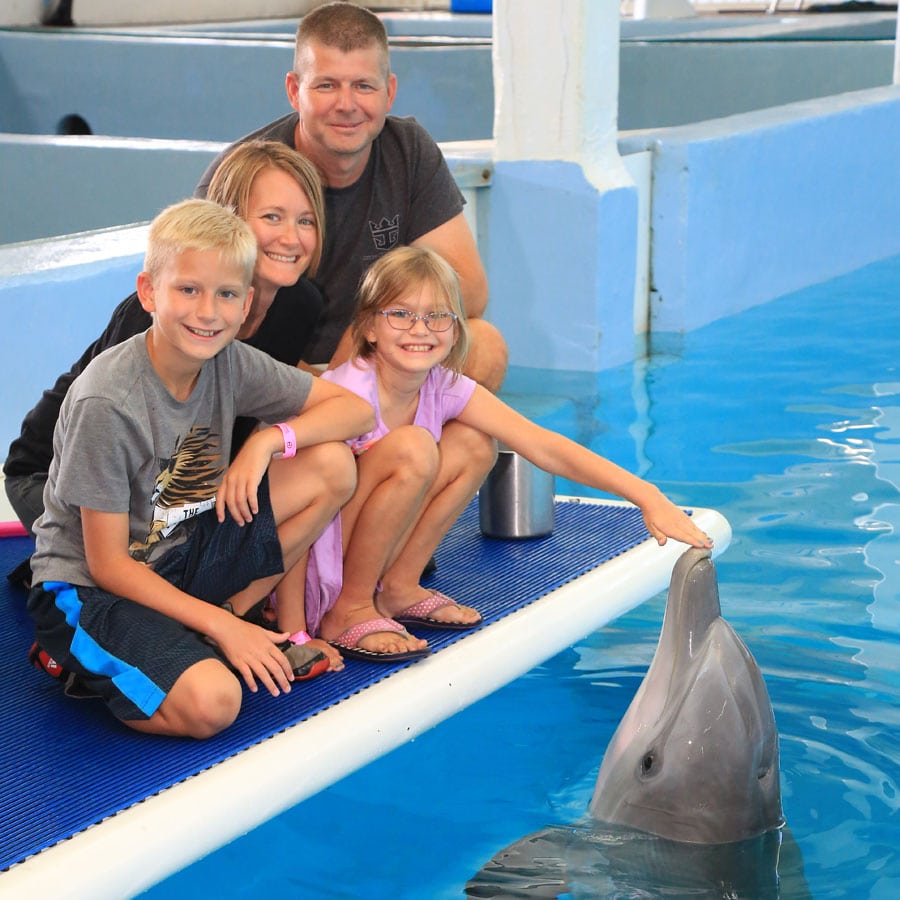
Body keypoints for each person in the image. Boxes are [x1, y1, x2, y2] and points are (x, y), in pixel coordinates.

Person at [26, 199, 375, 739]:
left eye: (226, 294)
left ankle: (204, 635)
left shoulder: (229, 360)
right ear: (148, 293)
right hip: (88, 589)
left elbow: (356, 411)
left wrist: (264, 444)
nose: (207, 312)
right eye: (188, 289)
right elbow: (109, 566)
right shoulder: (108, 401)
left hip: (179, 555)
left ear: (246, 305)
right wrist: (222, 624)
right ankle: (86, 665)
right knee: (215, 704)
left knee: (330, 465)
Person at [305, 246, 712, 662]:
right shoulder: (348, 390)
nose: (420, 329)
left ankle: (398, 587)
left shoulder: (441, 385)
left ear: (456, 329)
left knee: (474, 443)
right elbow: (298, 495)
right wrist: (288, 623)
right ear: (369, 327)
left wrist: (646, 495)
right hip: (319, 561)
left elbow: (539, 443)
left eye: (437, 316)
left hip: (367, 547)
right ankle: (347, 609)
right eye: (401, 314)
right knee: (412, 448)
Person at [4, 140, 328, 546]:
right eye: (272, 217)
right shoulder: (159, 313)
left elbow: (262, 402)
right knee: (140, 560)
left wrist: (265, 443)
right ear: (226, 220)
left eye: (306, 221)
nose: (291, 238)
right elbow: (107, 434)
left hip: (177, 482)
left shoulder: (301, 303)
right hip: (57, 475)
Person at [194, 0, 508, 393]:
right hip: (275, 371)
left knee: (486, 346)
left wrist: (367, 329)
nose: (346, 105)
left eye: (363, 86)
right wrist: (326, 387)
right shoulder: (240, 175)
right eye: (326, 85)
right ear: (294, 90)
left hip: (377, 353)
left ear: (389, 93)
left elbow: (470, 292)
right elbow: (207, 317)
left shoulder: (407, 151)